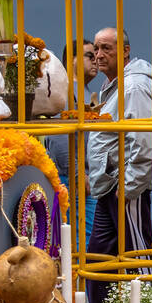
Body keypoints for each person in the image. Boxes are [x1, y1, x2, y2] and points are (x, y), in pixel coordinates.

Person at [86, 27, 152, 303]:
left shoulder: (133, 87)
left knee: (139, 257)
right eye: (97, 49)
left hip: (124, 189)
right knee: (98, 257)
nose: (100, 55)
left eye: (107, 49)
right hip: (110, 187)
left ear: (125, 51)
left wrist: (128, 187)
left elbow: (143, 142)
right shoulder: (116, 86)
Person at [46, 36, 100, 245]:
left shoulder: (84, 92)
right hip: (78, 181)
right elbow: (60, 137)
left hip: (88, 179)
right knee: (82, 244)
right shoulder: (66, 90)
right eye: (89, 55)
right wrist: (77, 174)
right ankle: (79, 278)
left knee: (90, 242)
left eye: (96, 56)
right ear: (71, 60)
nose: (95, 60)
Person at [69, 37, 99, 108]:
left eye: (96, 58)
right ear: (72, 59)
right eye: (90, 56)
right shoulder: (63, 90)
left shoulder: (89, 93)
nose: (95, 62)